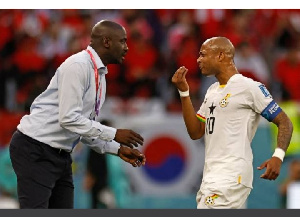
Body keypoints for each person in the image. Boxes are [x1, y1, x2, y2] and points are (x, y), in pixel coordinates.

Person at [9, 20, 146, 209]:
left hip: (61, 154)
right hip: (35, 148)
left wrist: (116, 148)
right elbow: (68, 119)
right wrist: (113, 133)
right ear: (106, 41)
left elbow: (82, 127)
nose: (127, 48)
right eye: (122, 41)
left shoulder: (100, 75)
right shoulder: (77, 65)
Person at [171, 36, 293, 209]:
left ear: (221, 56)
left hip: (231, 174)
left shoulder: (249, 87)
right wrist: (184, 94)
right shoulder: (212, 91)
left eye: (203, 54)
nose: (198, 60)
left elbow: (285, 122)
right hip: (212, 176)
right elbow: (196, 132)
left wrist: (278, 157)